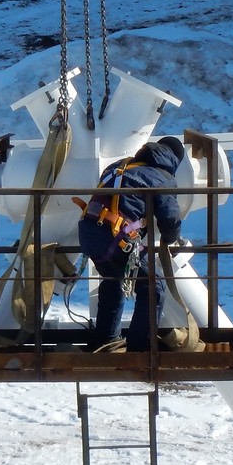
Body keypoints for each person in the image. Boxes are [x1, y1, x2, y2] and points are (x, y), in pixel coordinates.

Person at [77, 136, 185, 352]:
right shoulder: (161, 177)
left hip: (89, 233)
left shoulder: (119, 166)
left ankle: (106, 339)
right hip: (117, 239)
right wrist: (171, 239)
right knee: (153, 287)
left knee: (113, 281)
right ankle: (140, 348)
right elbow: (170, 218)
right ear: (173, 160)